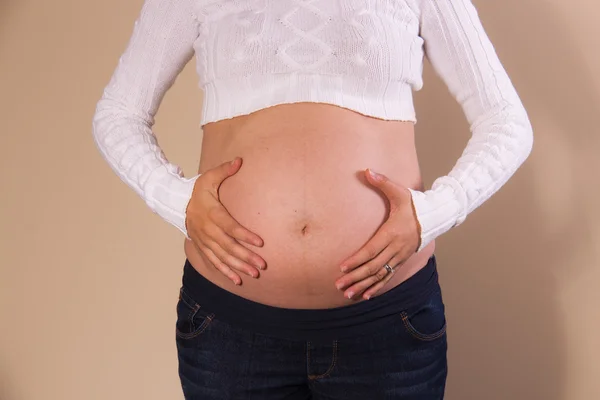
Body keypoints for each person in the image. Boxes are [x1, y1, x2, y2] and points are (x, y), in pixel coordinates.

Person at [92, 0, 533, 398]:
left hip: (387, 329)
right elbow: (119, 113)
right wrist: (175, 200)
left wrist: (432, 214)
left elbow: (505, 121)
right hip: (231, 333)